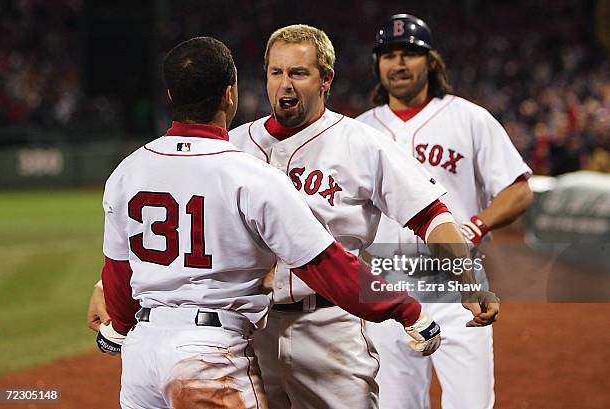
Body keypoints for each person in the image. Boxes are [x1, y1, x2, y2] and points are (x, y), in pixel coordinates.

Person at [93, 36, 445, 409]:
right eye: (275, 72)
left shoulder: (127, 170)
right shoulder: (248, 171)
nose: (284, 82)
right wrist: (406, 309)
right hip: (212, 348)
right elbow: (325, 263)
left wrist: (118, 327)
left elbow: (119, 270)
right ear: (230, 94)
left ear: (170, 94)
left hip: (143, 352)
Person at [226, 25, 498, 409]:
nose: (284, 84)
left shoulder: (360, 143)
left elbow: (432, 215)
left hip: (329, 326)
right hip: (250, 329)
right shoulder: (235, 147)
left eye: (298, 73)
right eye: (276, 72)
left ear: (325, 80)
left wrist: (467, 281)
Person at [357, 14, 534, 409]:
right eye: (388, 55)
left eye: (409, 54)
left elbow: (519, 190)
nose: (398, 64)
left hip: (457, 279)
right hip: (385, 282)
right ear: (377, 65)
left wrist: (475, 225)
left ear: (431, 63)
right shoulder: (359, 130)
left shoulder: (468, 118)